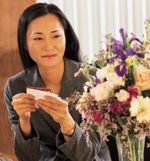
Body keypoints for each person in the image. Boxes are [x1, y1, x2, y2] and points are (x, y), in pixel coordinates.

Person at [3, 3, 111, 161]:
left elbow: (88, 155)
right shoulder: (15, 86)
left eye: (56, 36)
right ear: (25, 43)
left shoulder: (93, 79)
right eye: (38, 38)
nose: (48, 46)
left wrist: (67, 123)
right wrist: (24, 122)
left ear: (66, 37)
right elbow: (28, 158)